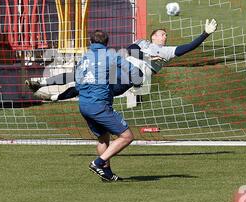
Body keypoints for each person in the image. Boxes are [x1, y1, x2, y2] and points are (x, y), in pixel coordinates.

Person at [26, 18, 218, 101]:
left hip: (131, 77)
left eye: (166, 35)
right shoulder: (142, 42)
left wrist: (204, 34)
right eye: (161, 34)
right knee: (80, 75)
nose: (164, 37)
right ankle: (41, 82)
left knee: (88, 88)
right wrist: (147, 55)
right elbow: (131, 50)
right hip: (119, 67)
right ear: (153, 37)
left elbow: (187, 48)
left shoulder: (167, 52)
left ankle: (53, 97)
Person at [76, 30, 137, 182]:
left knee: (103, 138)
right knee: (127, 136)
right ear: (107, 43)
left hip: (83, 104)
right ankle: (97, 163)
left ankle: (106, 173)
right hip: (99, 105)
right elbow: (132, 69)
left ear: (90, 42)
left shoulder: (83, 57)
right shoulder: (111, 55)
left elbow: (77, 81)